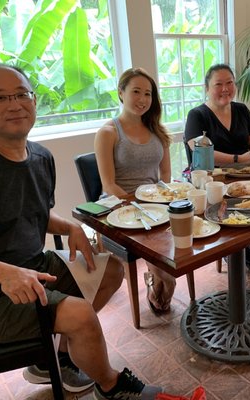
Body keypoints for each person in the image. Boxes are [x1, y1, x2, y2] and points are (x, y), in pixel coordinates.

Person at [0, 63, 162, 400]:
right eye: (0, 97)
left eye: (22, 94)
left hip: (34, 267)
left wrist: (69, 225)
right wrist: (0, 272)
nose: (15, 104)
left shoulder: (40, 156)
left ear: (34, 100)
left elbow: (35, 211)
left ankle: (61, 357)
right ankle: (112, 386)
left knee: (110, 270)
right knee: (79, 314)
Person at [94, 67, 176, 314]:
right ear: (121, 93)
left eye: (148, 94)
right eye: (136, 92)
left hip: (155, 207)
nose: (142, 99)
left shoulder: (158, 131)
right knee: (167, 272)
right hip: (121, 209)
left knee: (176, 262)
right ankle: (155, 278)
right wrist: (140, 207)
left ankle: (155, 277)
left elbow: (166, 177)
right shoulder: (108, 133)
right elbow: (108, 185)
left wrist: (161, 202)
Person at [184, 63, 250, 271]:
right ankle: (234, 247)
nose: (225, 89)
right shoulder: (197, 115)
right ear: (207, 88)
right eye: (218, 84)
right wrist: (238, 159)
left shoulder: (241, 109)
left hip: (245, 176)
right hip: (212, 179)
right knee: (225, 200)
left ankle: (244, 244)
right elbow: (201, 152)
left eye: (229, 83)